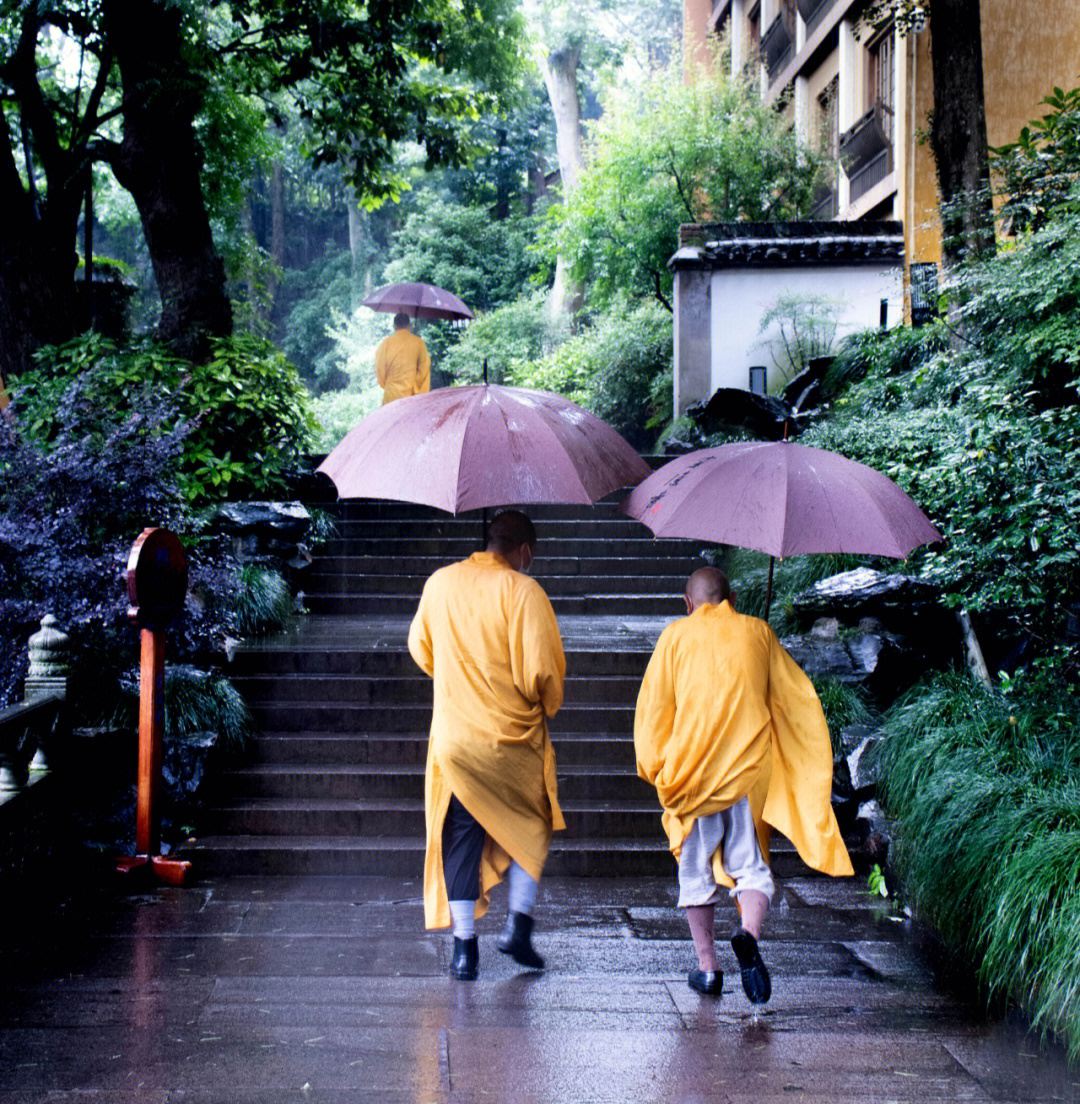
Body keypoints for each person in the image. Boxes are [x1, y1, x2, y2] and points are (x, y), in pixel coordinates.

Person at [634, 567, 853, 1002]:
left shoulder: (673, 638)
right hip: (749, 771)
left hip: (692, 776)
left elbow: (653, 714)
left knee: (694, 870)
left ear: (687, 603)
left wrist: (656, 767)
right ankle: (748, 934)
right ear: (733, 597)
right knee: (750, 866)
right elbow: (794, 699)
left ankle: (708, 969)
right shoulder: (758, 632)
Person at [407, 510, 565, 981]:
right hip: (511, 745)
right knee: (532, 823)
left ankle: (463, 951)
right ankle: (518, 924)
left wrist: (458, 676)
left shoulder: (440, 583)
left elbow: (421, 649)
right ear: (525, 551)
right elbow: (543, 675)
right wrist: (547, 699)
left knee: (460, 838)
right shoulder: (525, 592)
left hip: (456, 740)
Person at [375, 312, 431, 404]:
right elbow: (424, 370)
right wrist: (416, 390)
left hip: (391, 397)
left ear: (394, 327)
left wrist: (388, 385)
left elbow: (379, 369)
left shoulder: (386, 343)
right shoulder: (419, 343)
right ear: (410, 325)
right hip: (411, 399)